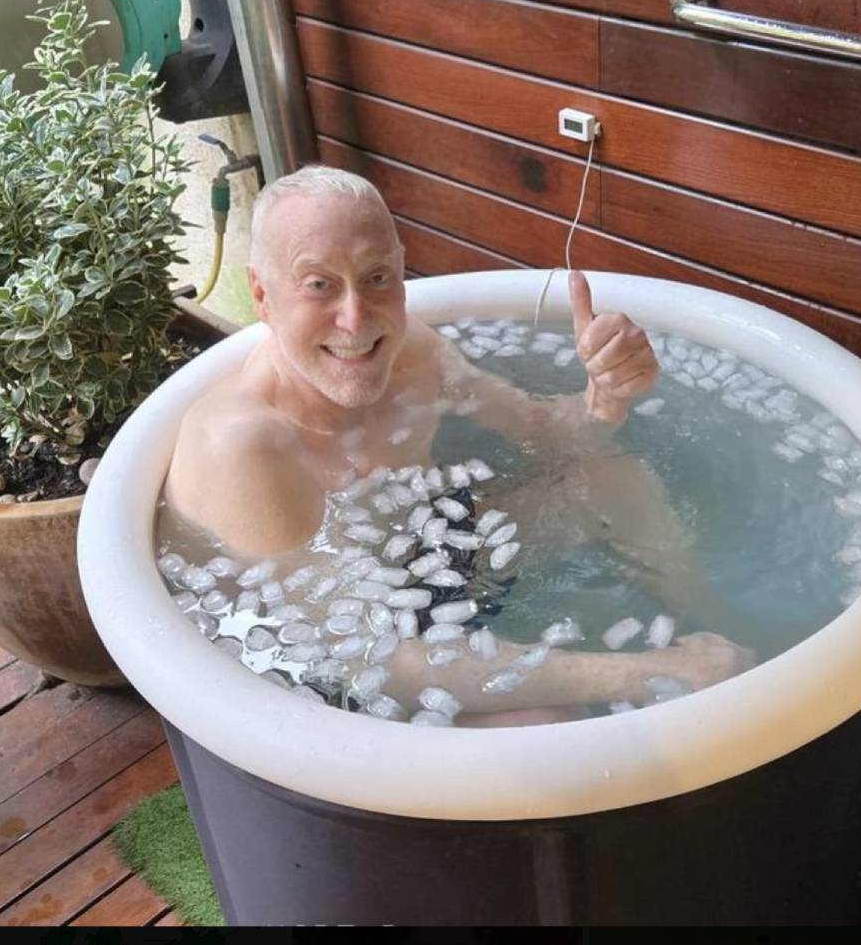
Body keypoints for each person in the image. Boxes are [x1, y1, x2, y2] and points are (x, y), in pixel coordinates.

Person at [164, 165, 753, 723]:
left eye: (377, 278)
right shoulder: (245, 445)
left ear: (401, 268)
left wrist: (606, 394)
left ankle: (736, 644)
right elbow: (364, 659)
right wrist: (646, 672)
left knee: (612, 480)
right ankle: (693, 670)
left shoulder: (414, 354)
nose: (355, 319)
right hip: (317, 660)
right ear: (262, 295)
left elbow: (549, 435)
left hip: (434, 560)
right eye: (319, 286)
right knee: (545, 729)